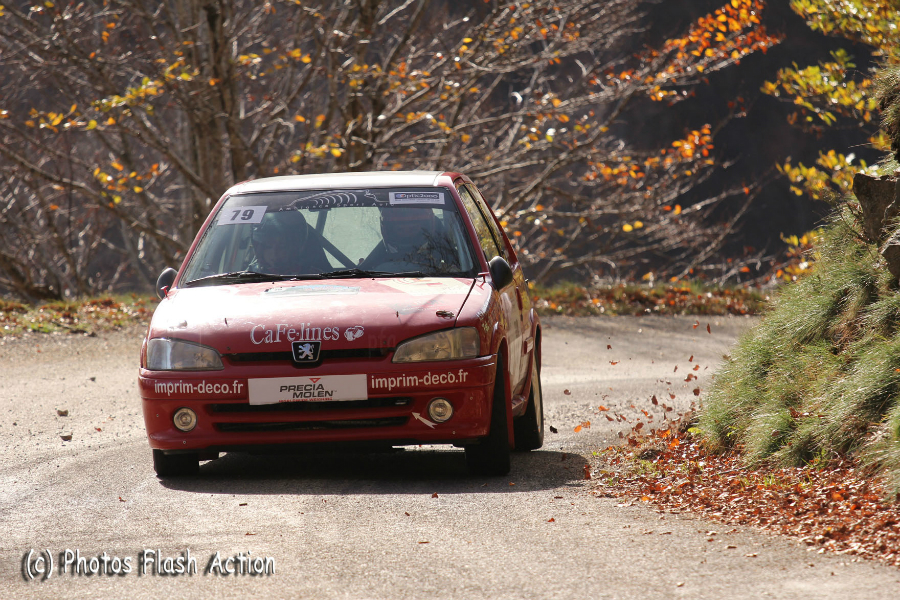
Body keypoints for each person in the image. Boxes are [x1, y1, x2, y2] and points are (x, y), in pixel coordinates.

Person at [251, 210, 327, 274]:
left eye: (282, 247)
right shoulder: (248, 276)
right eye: (268, 246)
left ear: (294, 248)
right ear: (260, 249)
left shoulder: (315, 277)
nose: (274, 252)